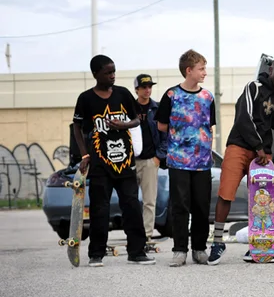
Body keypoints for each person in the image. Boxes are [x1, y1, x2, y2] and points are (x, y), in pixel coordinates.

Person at [207, 56, 274, 265]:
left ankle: (260, 245)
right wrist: (258, 147)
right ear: (271, 69)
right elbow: (243, 117)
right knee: (226, 193)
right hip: (241, 147)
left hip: (263, 153)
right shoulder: (253, 86)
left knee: (264, 201)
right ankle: (218, 242)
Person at [72, 55, 155, 266]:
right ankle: (96, 254)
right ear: (95, 74)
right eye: (108, 72)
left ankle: (137, 252)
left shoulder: (123, 94)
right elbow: (77, 127)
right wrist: (84, 155)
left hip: (125, 161)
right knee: (100, 208)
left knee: (131, 206)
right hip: (100, 163)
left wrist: (124, 125)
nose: (112, 76)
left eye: (114, 71)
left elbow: (136, 119)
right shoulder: (86, 99)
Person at [156, 49, 216, 267]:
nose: (205, 73)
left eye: (205, 68)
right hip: (179, 161)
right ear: (188, 70)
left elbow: (209, 126)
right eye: (201, 69)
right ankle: (179, 249)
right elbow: (161, 125)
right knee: (180, 206)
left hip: (202, 163)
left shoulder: (208, 97)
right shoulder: (171, 95)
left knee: (201, 206)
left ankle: (199, 249)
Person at [133, 74, 168, 246]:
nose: (147, 90)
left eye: (150, 87)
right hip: (130, 163)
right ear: (137, 89)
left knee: (149, 201)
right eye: (144, 87)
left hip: (149, 161)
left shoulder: (157, 108)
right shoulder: (129, 108)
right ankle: (133, 235)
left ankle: (146, 236)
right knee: (130, 201)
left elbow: (165, 136)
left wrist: (158, 157)